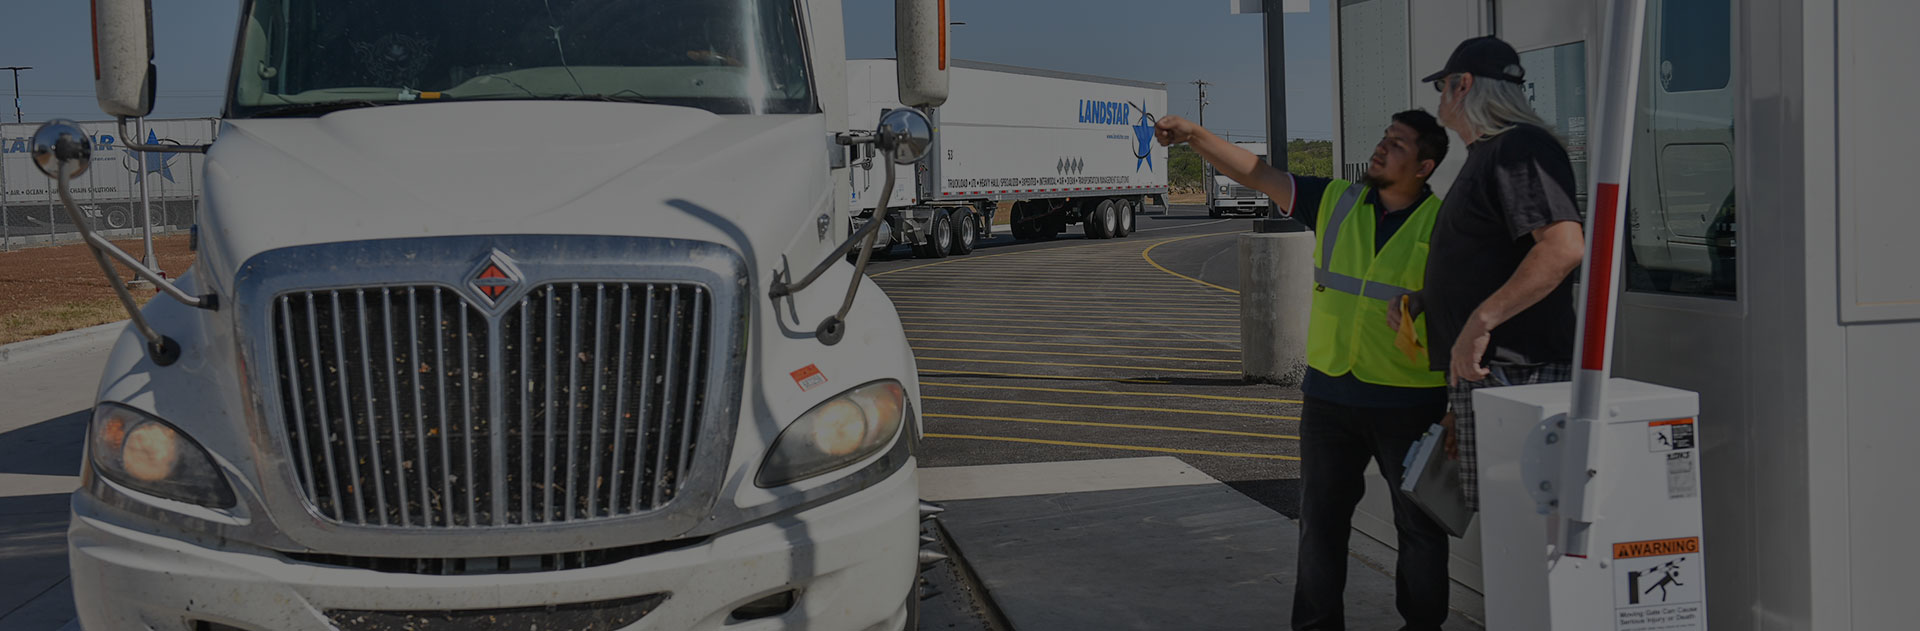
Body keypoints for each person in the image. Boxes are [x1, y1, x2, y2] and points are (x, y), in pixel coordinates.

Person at [1156, 110, 1454, 631]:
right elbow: (1258, 173)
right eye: (1384, 138)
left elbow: (1468, 306)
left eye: (1398, 145)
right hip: (1329, 397)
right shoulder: (1337, 200)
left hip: (1409, 400)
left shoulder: (1446, 225)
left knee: (1420, 529)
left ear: (1424, 167)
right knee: (1320, 525)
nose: (1382, 148)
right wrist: (1195, 136)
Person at [1396, 36, 1587, 513]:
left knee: (1522, 522)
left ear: (1462, 85)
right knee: (1508, 524)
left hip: (1518, 372)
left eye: (1441, 85)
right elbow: (1492, 258)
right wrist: (1428, 300)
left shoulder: (1519, 147)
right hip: (1495, 375)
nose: (1439, 97)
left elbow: (1563, 247)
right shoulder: (1491, 152)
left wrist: (1479, 323)